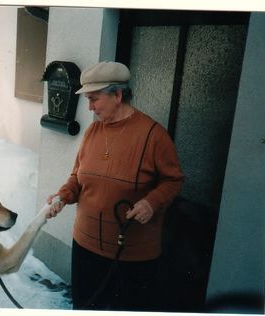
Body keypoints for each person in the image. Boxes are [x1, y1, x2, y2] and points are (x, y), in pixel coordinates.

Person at [46, 61, 184, 311]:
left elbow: (173, 180)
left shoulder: (154, 135)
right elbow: (78, 176)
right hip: (85, 248)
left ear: (118, 95)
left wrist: (151, 202)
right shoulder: (92, 133)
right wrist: (63, 196)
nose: (89, 107)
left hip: (132, 255)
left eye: (94, 99)